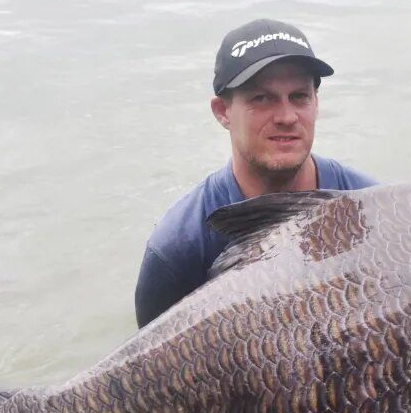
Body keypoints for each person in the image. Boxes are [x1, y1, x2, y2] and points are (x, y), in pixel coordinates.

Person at [134, 19, 376, 329]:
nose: (287, 117)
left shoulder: (367, 210)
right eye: (262, 98)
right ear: (223, 112)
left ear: (316, 103)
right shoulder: (178, 250)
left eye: (299, 96)